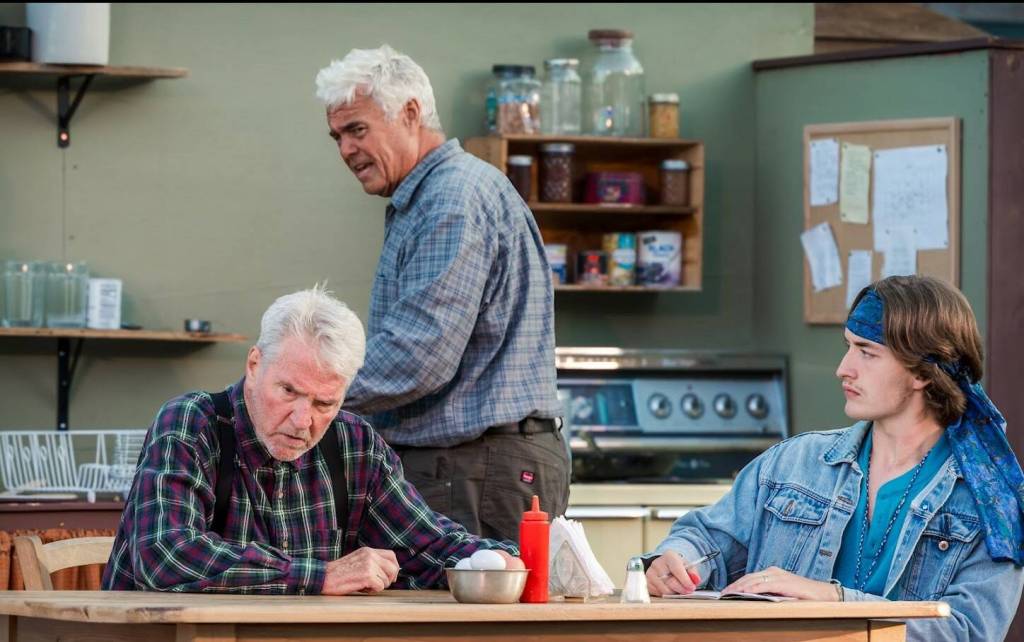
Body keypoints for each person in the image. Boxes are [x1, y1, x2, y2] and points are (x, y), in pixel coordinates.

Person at [644, 276, 1024, 641]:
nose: (843, 369)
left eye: (866, 352)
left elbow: (969, 632)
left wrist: (835, 600)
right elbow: (707, 538)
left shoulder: (993, 504)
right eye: (848, 347)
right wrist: (676, 559)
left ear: (922, 373)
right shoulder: (793, 463)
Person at [102, 286, 520, 594]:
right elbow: (166, 555)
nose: (303, 420)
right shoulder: (192, 423)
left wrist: (499, 561)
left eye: (324, 403)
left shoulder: (355, 444)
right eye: (288, 391)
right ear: (254, 365)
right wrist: (320, 576)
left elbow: (426, 547)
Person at [313, 44, 568, 541]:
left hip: (471, 469)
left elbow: (419, 355)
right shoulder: (439, 195)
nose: (345, 149)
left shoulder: (451, 200)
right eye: (337, 136)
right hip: (476, 466)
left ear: (410, 113)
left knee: (457, 597)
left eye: (357, 130)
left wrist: (307, 389)